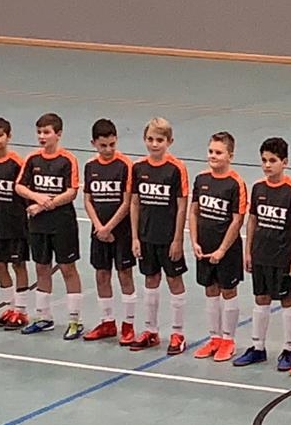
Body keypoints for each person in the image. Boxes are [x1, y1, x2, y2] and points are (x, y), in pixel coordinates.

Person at [236, 137, 291, 369]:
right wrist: (248, 251)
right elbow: (252, 220)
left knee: (287, 299)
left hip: (283, 256)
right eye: (264, 160)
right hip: (261, 254)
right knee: (261, 298)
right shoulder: (258, 187)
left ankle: (289, 350)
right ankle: (258, 347)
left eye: (272, 160)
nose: (267, 165)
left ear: (285, 162)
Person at [14, 113, 83, 336]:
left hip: (62, 223)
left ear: (58, 134)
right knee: (41, 267)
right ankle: (44, 317)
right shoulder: (32, 159)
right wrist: (36, 197)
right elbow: (19, 186)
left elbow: (71, 192)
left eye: (46, 132)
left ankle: (74, 320)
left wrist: (44, 205)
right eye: (39, 132)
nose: (42, 137)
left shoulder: (68, 160)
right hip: (38, 225)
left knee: (67, 268)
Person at [127, 117, 189, 354]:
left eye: (160, 140)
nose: (154, 144)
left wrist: (178, 239)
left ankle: (178, 333)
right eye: (150, 139)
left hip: (168, 237)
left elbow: (182, 206)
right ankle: (151, 330)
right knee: (150, 280)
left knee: (174, 281)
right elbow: (134, 203)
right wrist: (135, 237)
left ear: (169, 142)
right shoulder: (138, 168)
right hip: (146, 236)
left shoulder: (176, 168)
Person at [189, 132, 247, 363]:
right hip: (204, 247)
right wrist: (194, 241)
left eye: (219, 152)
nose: (213, 156)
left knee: (228, 291)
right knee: (210, 290)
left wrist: (222, 249)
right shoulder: (201, 179)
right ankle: (214, 338)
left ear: (230, 156)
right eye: (211, 151)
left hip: (227, 250)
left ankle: (228, 340)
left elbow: (237, 220)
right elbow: (194, 212)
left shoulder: (235, 183)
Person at [81, 118, 137, 345]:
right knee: (102, 274)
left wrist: (109, 227)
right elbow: (87, 200)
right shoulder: (90, 167)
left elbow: (127, 202)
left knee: (124, 274)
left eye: (112, 144)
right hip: (99, 231)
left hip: (121, 231)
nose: (108, 149)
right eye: (103, 145)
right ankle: (107, 322)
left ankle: (128, 325)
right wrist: (99, 227)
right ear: (93, 143)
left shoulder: (125, 166)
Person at [0, 117, 32, 330]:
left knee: (18, 265)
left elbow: (26, 192)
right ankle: (9, 308)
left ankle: (22, 311)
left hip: (16, 224)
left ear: (8, 136)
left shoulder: (17, 163)